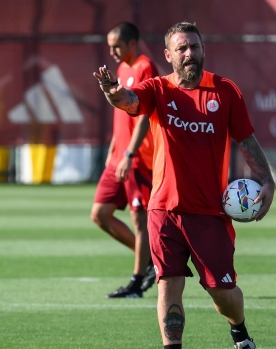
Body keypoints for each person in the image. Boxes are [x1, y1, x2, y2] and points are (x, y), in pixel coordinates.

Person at [93, 22, 274, 349]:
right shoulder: (158, 89)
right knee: (168, 285)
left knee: (222, 293)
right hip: (163, 211)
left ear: (203, 49)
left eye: (194, 47)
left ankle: (239, 330)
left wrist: (267, 180)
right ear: (169, 54)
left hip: (209, 213)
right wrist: (112, 91)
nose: (190, 53)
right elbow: (129, 101)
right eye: (182, 48)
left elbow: (245, 138)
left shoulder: (225, 90)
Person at [90, 22, 159, 299]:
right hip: (118, 157)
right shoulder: (120, 70)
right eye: (109, 45)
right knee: (100, 214)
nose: (112, 51)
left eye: (116, 45)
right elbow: (121, 113)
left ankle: (136, 281)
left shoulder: (145, 66)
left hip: (138, 159)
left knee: (139, 221)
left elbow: (145, 113)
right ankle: (151, 261)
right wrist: (114, 149)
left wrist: (130, 153)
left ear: (132, 43)